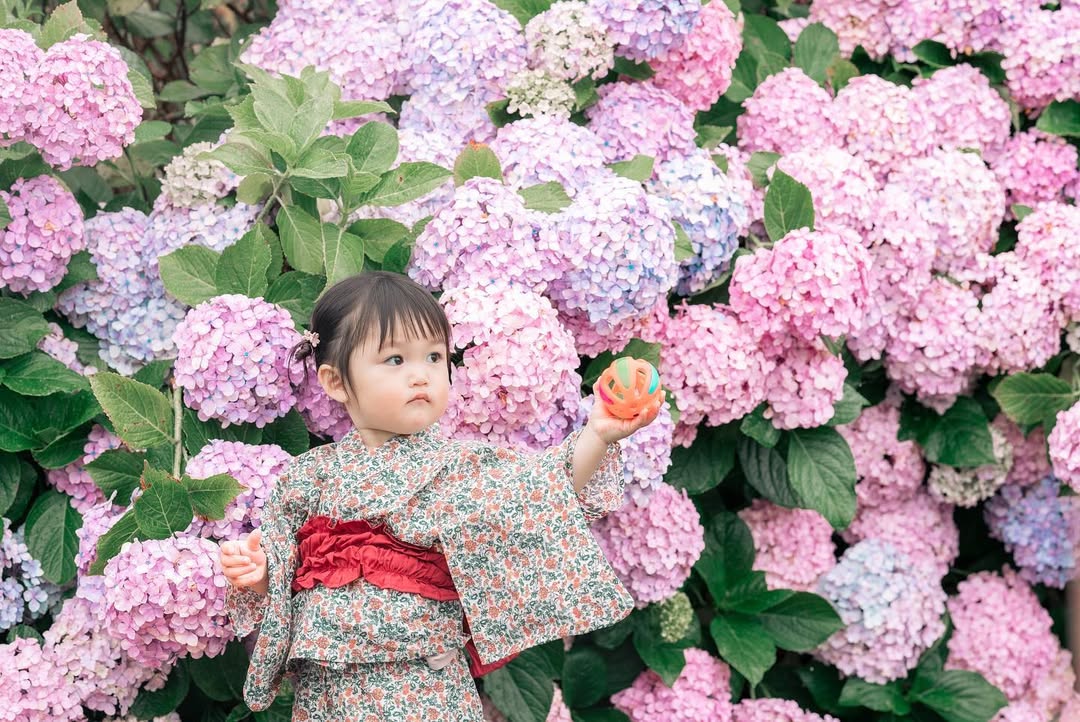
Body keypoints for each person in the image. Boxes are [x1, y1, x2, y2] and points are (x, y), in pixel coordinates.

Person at [218, 271, 660, 720]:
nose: (421, 376)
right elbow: (285, 566)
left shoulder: (465, 468)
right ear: (336, 382)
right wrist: (261, 574)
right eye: (395, 360)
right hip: (329, 690)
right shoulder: (308, 475)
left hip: (424, 686)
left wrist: (598, 436)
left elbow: (549, 486)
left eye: (433, 356)